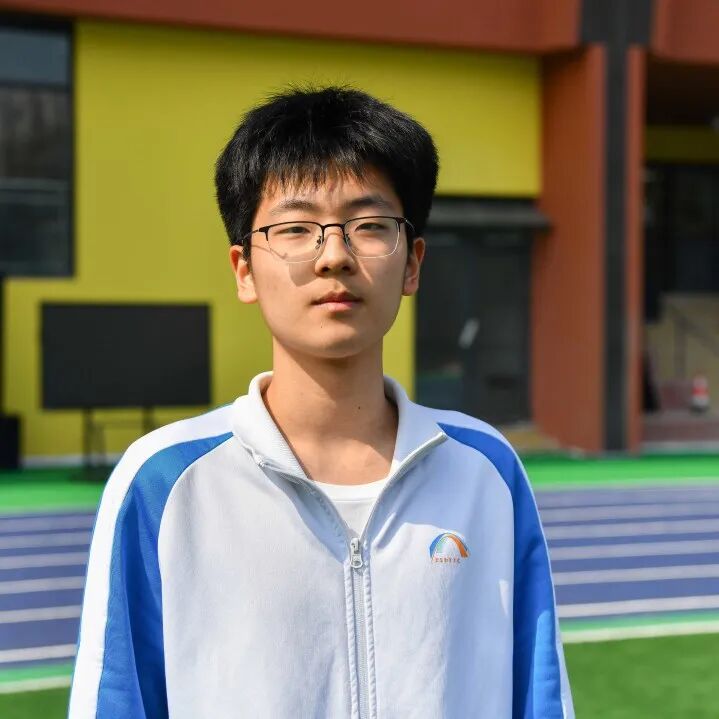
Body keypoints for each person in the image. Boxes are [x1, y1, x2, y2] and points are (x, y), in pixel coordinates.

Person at [68, 86, 574, 718]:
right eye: (295, 229)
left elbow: (538, 696)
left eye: (370, 226)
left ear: (412, 264)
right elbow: (118, 700)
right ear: (244, 270)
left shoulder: (484, 470)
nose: (334, 255)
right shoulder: (165, 482)